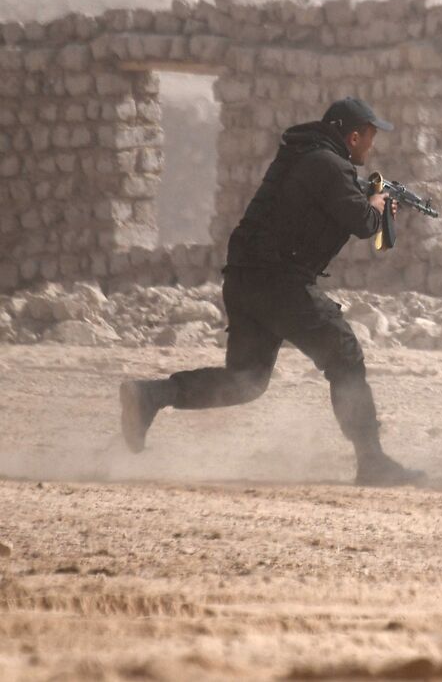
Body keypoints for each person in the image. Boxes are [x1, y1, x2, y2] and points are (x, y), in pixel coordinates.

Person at [119, 97, 422, 486]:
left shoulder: (306, 158)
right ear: (353, 136)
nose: (372, 147)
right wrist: (378, 204)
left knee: (246, 378)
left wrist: (369, 198)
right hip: (281, 283)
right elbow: (363, 223)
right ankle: (373, 462)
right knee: (345, 355)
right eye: (370, 138)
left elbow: (332, 206)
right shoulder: (327, 164)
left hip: (247, 281)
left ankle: (151, 396)